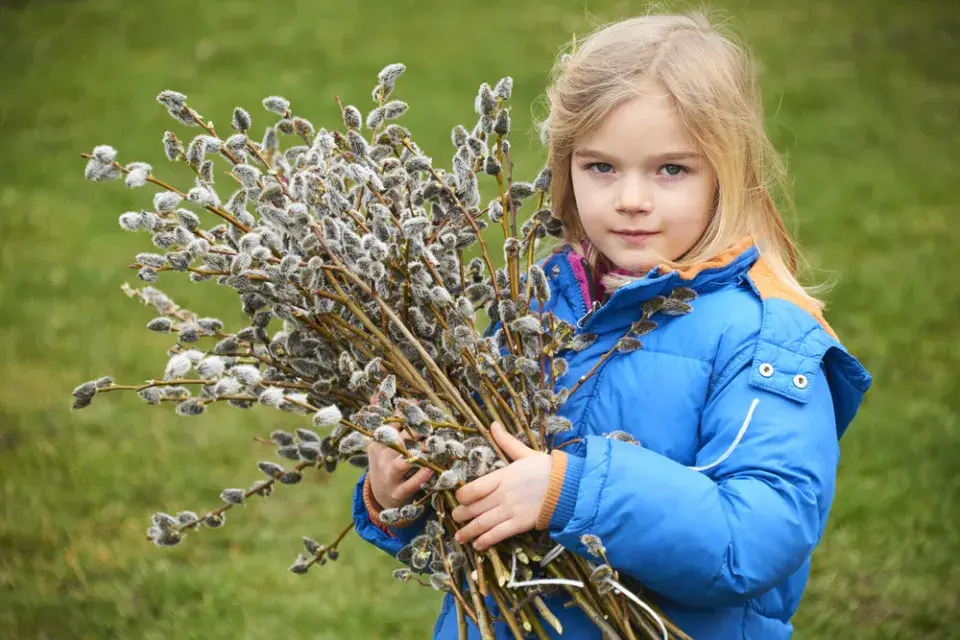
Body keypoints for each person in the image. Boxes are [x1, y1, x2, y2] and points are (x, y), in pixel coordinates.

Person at [353, 11, 872, 639]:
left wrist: (571, 492)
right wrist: (398, 496)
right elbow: (469, 526)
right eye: (601, 166)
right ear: (564, 167)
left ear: (726, 172)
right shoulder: (531, 305)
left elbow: (755, 539)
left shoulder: (764, 337)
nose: (631, 198)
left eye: (670, 169)